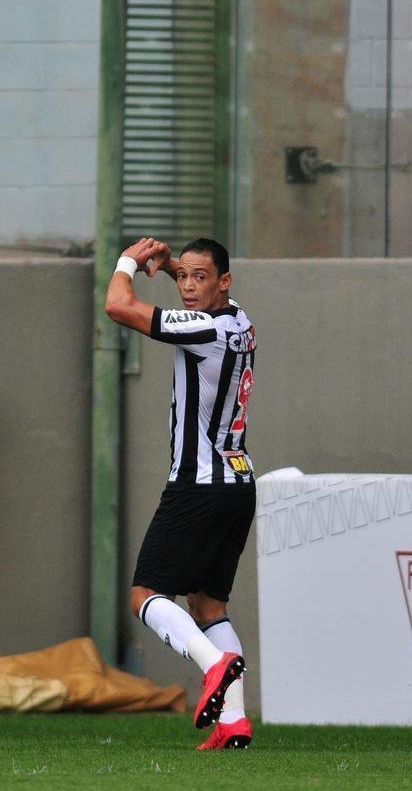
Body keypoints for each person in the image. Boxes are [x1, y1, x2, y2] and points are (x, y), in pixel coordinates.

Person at [105, 236, 258, 750]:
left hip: (198, 486)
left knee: (145, 595)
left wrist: (128, 260)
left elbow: (117, 305)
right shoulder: (239, 320)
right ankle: (234, 720)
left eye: (200, 278)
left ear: (225, 282)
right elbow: (201, 295)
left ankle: (214, 667)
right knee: (209, 606)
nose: (188, 287)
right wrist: (174, 266)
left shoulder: (203, 330)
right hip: (238, 485)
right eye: (184, 277)